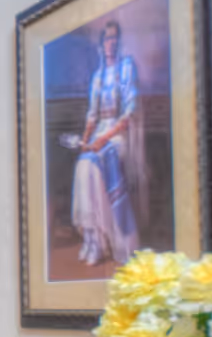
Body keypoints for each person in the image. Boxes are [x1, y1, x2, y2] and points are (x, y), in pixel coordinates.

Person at [63, 19, 148, 267]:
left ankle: (116, 240)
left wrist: (103, 139)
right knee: (83, 166)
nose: (110, 43)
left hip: (117, 135)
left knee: (95, 164)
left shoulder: (126, 68)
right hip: (99, 133)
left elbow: (129, 112)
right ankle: (94, 239)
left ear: (118, 42)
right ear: (101, 44)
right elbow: (92, 116)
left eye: (114, 38)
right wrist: (85, 141)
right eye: (106, 39)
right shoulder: (97, 77)